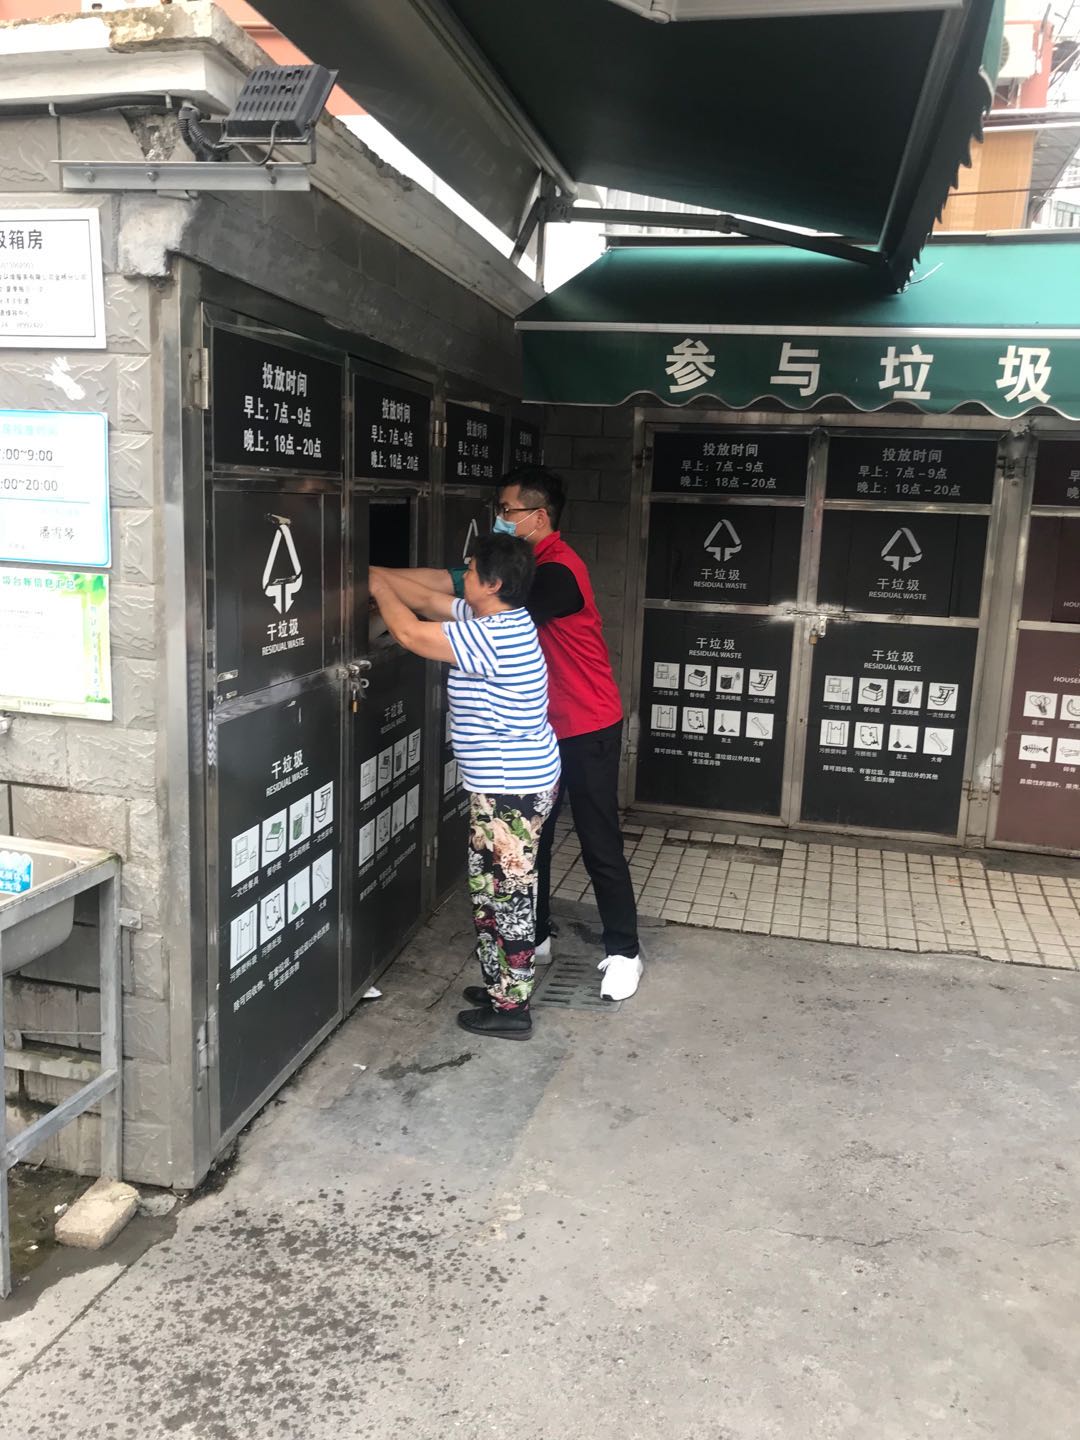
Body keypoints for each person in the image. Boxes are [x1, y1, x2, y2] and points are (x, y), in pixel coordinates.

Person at [381, 466, 642, 1002]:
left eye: (507, 510)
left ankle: (624, 950)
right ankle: (535, 936)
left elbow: (448, 596)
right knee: (531, 843)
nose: (499, 517)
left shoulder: (556, 573)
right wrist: (370, 573)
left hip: (585, 722)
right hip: (537, 731)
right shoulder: (515, 566)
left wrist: (379, 582)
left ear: (538, 516)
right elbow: (446, 582)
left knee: (597, 840)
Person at [369, 534, 560, 1041]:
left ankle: (513, 1010)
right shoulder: (499, 618)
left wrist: (375, 587)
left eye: (471, 572)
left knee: (509, 895)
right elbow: (429, 601)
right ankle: (502, 987)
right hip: (506, 785)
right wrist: (373, 573)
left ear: (492, 584)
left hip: (511, 791)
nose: (464, 578)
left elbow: (409, 632)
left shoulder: (493, 636)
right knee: (488, 889)